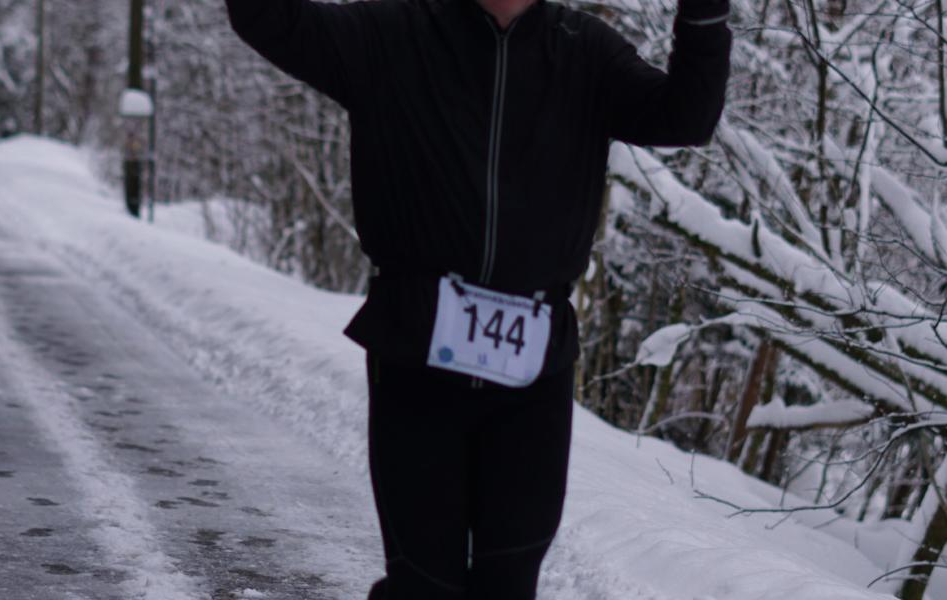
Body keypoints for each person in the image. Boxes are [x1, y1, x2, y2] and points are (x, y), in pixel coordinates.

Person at [224, 0, 732, 597]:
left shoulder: (585, 49)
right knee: (424, 582)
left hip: (532, 368)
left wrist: (703, 19)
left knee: (508, 581)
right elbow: (266, 17)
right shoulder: (392, 33)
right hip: (417, 350)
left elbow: (686, 116)